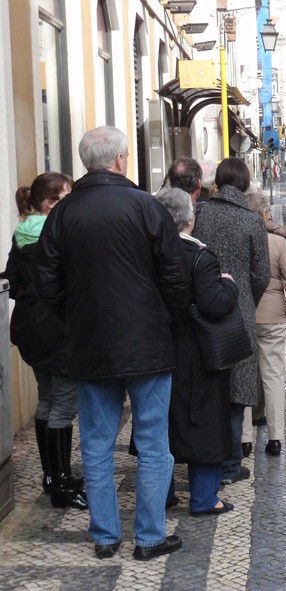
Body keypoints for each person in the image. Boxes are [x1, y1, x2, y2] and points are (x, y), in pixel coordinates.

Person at [35, 126, 188, 561]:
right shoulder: (146, 206)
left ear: (87, 163)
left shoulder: (62, 214)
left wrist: (76, 316)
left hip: (90, 346)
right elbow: (175, 276)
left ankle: (105, 536)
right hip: (147, 345)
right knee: (154, 442)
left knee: (97, 444)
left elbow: (45, 280)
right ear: (121, 160)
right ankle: (149, 537)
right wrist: (161, 318)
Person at [4, 172, 87, 511]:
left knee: (47, 399)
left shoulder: (21, 233)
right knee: (64, 406)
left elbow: (12, 277)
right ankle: (62, 484)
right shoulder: (57, 235)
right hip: (58, 330)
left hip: (29, 330)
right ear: (51, 202)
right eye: (66, 198)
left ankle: (51, 476)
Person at [155, 187, 237, 516]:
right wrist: (228, 284)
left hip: (158, 348)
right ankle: (204, 498)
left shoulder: (148, 251)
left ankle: (162, 495)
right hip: (196, 353)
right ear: (190, 219)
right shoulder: (200, 256)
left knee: (159, 423)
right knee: (205, 423)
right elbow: (214, 305)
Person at [191, 157, 270, 485]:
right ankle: (229, 465)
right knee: (238, 393)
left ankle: (203, 461)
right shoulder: (252, 220)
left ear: (219, 181)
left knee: (208, 389)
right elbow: (262, 273)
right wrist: (245, 298)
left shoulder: (200, 213)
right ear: (245, 183)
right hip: (240, 313)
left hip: (200, 310)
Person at [246, 189, 286, 457]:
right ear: (265, 214)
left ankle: (245, 440)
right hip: (273, 319)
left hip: (244, 318)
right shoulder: (277, 244)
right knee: (272, 377)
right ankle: (275, 439)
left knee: (245, 376)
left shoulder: (239, 238)